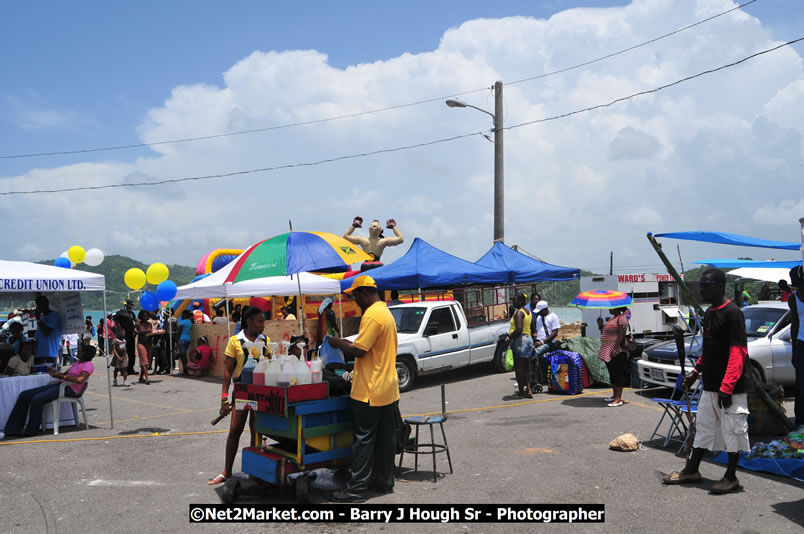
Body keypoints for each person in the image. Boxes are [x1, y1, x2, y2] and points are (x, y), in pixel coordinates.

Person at [664, 268, 751, 494]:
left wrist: (727, 387)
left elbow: (738, 353)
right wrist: (695, 372)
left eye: (706, 285)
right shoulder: (710, 312)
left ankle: (731, 476)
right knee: (703, 429)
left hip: (730, 388)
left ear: (720, 286)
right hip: (711, 385)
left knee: (733, 431)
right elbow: (709, 350)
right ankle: (692, 469)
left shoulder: (733, 313)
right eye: (701, 285)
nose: (701, 289)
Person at [328, 275, 399, 502]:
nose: (354, 299)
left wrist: (337, 342)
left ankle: (357, 489)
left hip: (370, 389)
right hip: (388, 388)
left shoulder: (372, 315)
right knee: (385, 438)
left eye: (355, 295)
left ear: (365, 293)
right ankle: (384, 481)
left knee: (364, 440)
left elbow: (359, 350)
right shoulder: (385, 312)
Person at [208, 306, 270, 486]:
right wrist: (224, 399)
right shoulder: (235, 341)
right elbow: (227, 373)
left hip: (261, 392)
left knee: (256, 432)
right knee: (235, 430)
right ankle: (227, 471)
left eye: (263, 321)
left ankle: (253, 471)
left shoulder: (265, 340)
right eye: (259, 321)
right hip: (242, 391)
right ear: (249, 321)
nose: (263, 325)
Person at [4, 344, 96, 437]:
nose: (78, 351)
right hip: (61, 385)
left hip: (70, 389)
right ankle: (13, 428)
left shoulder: (88, 365)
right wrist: (55, 372)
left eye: (80, 350)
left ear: (84, 353)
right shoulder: (77, 362)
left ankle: (31, 430)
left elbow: (80, 380)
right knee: (25, 394)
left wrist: (62, 376)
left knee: (37, 399)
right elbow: (64, 374)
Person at [597, 307, 629, 407]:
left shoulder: (621, 319)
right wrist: (601, 326)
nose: (609, 309)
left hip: (616, 350)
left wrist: (615, 348)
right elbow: (606, 333)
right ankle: (615, 395)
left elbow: (621, 334)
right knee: (612, 372)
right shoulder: (612, 319)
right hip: (607, 348)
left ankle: (619, 399)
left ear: (617, 308)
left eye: (611, 307)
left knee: (618, 373)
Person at [507, 293, 534, 399]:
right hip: (528, 340)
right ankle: (529, 389)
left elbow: (519, 329)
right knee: (525, 367)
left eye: (514, 301)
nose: (513, 303)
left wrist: (510, 337)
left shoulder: (519, 313)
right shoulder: (528, 312)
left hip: (520, 341)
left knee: (519, 367)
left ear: (520, 301)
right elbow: (533, 328)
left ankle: (521, 391)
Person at [529, 300, 560, 389]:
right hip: (539, 341)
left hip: (549, 343)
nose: (539, 313)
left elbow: (555, 333)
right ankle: (538, 377)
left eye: (540, 311)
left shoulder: (553, 317)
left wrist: (542, 342)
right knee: (528, 353)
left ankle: (537, 379)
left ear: (545, 309)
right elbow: (538, 330)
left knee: (535, 353)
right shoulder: (539, 318)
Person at [787, 266, 804, 428]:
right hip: (801, 344)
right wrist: (793, 351)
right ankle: (800, 421)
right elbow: (794, 324)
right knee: (800, 385)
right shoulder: (793, 299)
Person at [33, 296, 62, 364]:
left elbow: (47, 332)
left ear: (47, 303)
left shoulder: (54, 315)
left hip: (49, 354)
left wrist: (38, 319)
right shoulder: (42, 318)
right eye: (38, 305)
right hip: (38, 354)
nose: (39, 307)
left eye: (41, 304)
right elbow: (37, 338)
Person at [116, 299, 137, 375]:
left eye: (132, 305)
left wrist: (136, 328)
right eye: (131, 305)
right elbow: (116, 323)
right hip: (123, 335)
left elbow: (135, 321)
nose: (132, 307)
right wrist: (119, 332)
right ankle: (122, 369)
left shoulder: (131, 313)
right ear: (126, 304)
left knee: (132, 353)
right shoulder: (120, 313)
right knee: (123, 352)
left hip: (131, 335)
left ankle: (131, 369)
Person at [136, 310, 152, 385]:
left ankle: (141, 377)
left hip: (148, 343)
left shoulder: (149, 324)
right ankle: (147, 377)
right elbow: (134, 332)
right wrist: (137, 332)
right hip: (141, 343)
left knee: (147, 361)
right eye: (144, 315)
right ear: (141, 316)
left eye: (147, 315)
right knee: (144, 360)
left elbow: (151, 332)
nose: (146, 317)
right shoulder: (138, 324)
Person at [177, 310, 193, 374]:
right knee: (184, 355)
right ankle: (185, 370)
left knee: (182, 356)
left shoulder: (182, 322)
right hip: (188, 339)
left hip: (182, 339)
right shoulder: (189, 322)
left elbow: (179, 332)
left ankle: (185, 371)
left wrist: (176, 341)